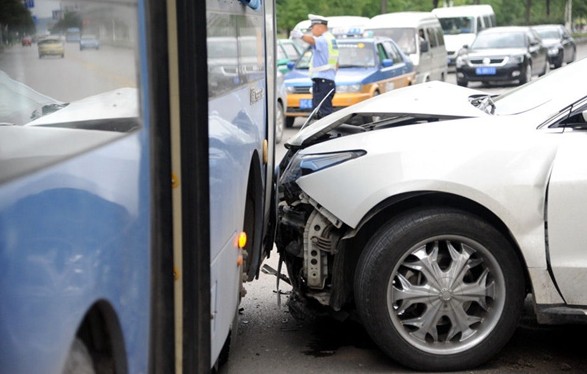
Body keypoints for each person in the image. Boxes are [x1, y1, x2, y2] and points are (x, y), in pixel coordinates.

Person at [290, 14, 339, 119]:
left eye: (313, 28)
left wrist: (300, 36)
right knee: (323, 111)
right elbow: (336, 63)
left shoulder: (323, 39)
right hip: (327, 81)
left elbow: (313, 40)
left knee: (322, 113)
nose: (312, 31)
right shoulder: (331, 39)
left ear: (320, 27)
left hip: (323, 82)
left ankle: (325, 135)